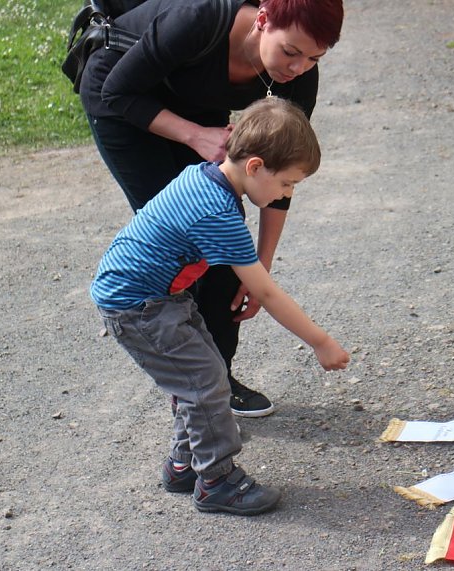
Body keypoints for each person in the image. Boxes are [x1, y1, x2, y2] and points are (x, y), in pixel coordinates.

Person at [79, 0, 344, 417]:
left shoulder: (298, 78)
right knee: (191, 237)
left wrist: (261, 264)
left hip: (198, 110)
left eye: (314, 58)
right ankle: (193, 383)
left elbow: (282, 167)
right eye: (290, 52)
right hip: (124, 103)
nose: (298, 68)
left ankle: (215, 380)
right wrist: (194, 135)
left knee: (226, 248)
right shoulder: (199, 20)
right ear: (262, 20)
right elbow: (115, 89)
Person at [90, 98, 350, 515]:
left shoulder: (206, 179)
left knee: (200, 376)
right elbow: (265, 293)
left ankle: (185, 463)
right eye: (287, 183)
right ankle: (217, 481)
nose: (286, 193)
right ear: (255, 167)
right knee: (205, 383)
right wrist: (320, 342)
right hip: (138, 305)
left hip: (158, 297)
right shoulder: (216, 212)